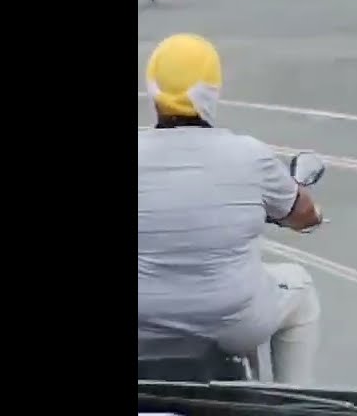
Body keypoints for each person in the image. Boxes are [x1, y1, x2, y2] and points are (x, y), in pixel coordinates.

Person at [138, 34, 324, 385]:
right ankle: (292, 402)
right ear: (214, 89)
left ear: (153, 89)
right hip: (233, 323)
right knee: (300, 288)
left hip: (142, 322)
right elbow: (303, 216)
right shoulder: (248, 155)